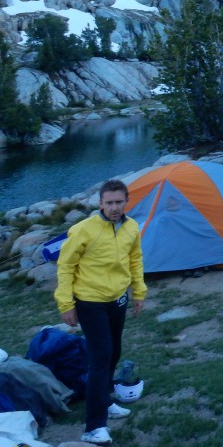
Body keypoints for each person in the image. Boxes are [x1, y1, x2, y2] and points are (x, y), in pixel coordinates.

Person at [54, 179, 146, 447]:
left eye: (119, 202)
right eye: (109, 203)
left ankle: (105, 402)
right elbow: (65, 266)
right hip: (90, 302)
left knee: (114, 352)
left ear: (126, 202)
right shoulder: (83, 230)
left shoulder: (131, 227)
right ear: (100, 203)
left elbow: (135, 259)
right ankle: (94, 427)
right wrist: (65, 303)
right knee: (100, 356)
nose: (114, 207)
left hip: (117, 300)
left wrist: (138, 292)